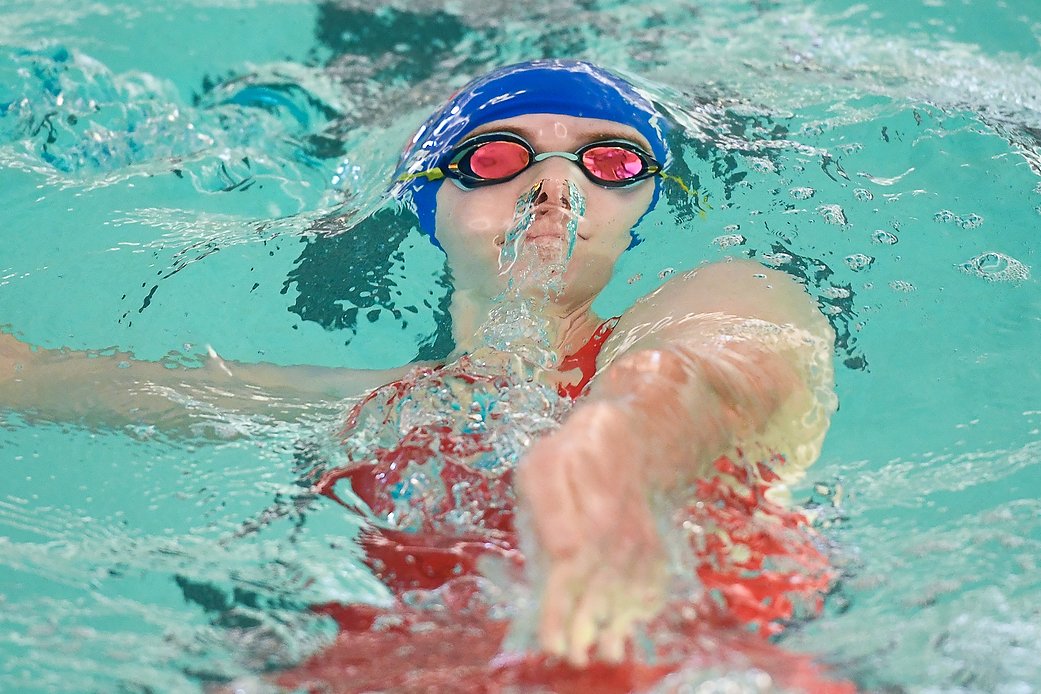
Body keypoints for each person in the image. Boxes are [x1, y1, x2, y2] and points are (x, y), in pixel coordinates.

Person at [0, 60, 844, 690]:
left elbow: (714, 370)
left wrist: (616, 447)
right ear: (427, 202)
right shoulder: (375, 404)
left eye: (613, 162)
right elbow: (42, 378)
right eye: (496, 156)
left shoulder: (730, 292)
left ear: (639, 209)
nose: (555, 184)